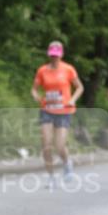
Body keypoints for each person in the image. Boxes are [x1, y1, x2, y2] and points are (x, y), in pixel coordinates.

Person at [31, 41, 84, 187]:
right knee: (46, 144)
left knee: (59, 145)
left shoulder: (68, 69)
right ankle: (51, 177)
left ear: (61, 55)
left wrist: (72, 99)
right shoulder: (42, 70)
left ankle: (67, 163)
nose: (54, 58)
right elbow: (34, 89)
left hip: (63, 110)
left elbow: (80, 87)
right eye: (52, 55)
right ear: (49, 54)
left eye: (57, 56)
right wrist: (36, 96)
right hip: (47, 109)